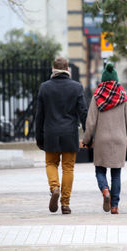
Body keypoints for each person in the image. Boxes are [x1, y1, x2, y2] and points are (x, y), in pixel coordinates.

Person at [82, 63, 127, 215]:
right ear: (116, 80)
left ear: (103, 80)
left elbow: (90, 122)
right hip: (119, 140)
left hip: (101, 140)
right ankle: (114, 206)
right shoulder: (123, 97)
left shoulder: (97, 97)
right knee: (116, 174)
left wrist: (86, 140)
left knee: (100, 171)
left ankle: (105, 190)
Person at [35, 57, 88, 215]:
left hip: (50, 133)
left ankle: (54, 188)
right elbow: (83, 113)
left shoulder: (44, 87)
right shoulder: (77, 87)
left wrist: (39, 137)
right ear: (68, 70)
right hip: (69, 133)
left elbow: (39, 116)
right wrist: (88, 134)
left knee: (51, 164)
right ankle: (65, 203)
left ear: (53, 69)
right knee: (68, 168)